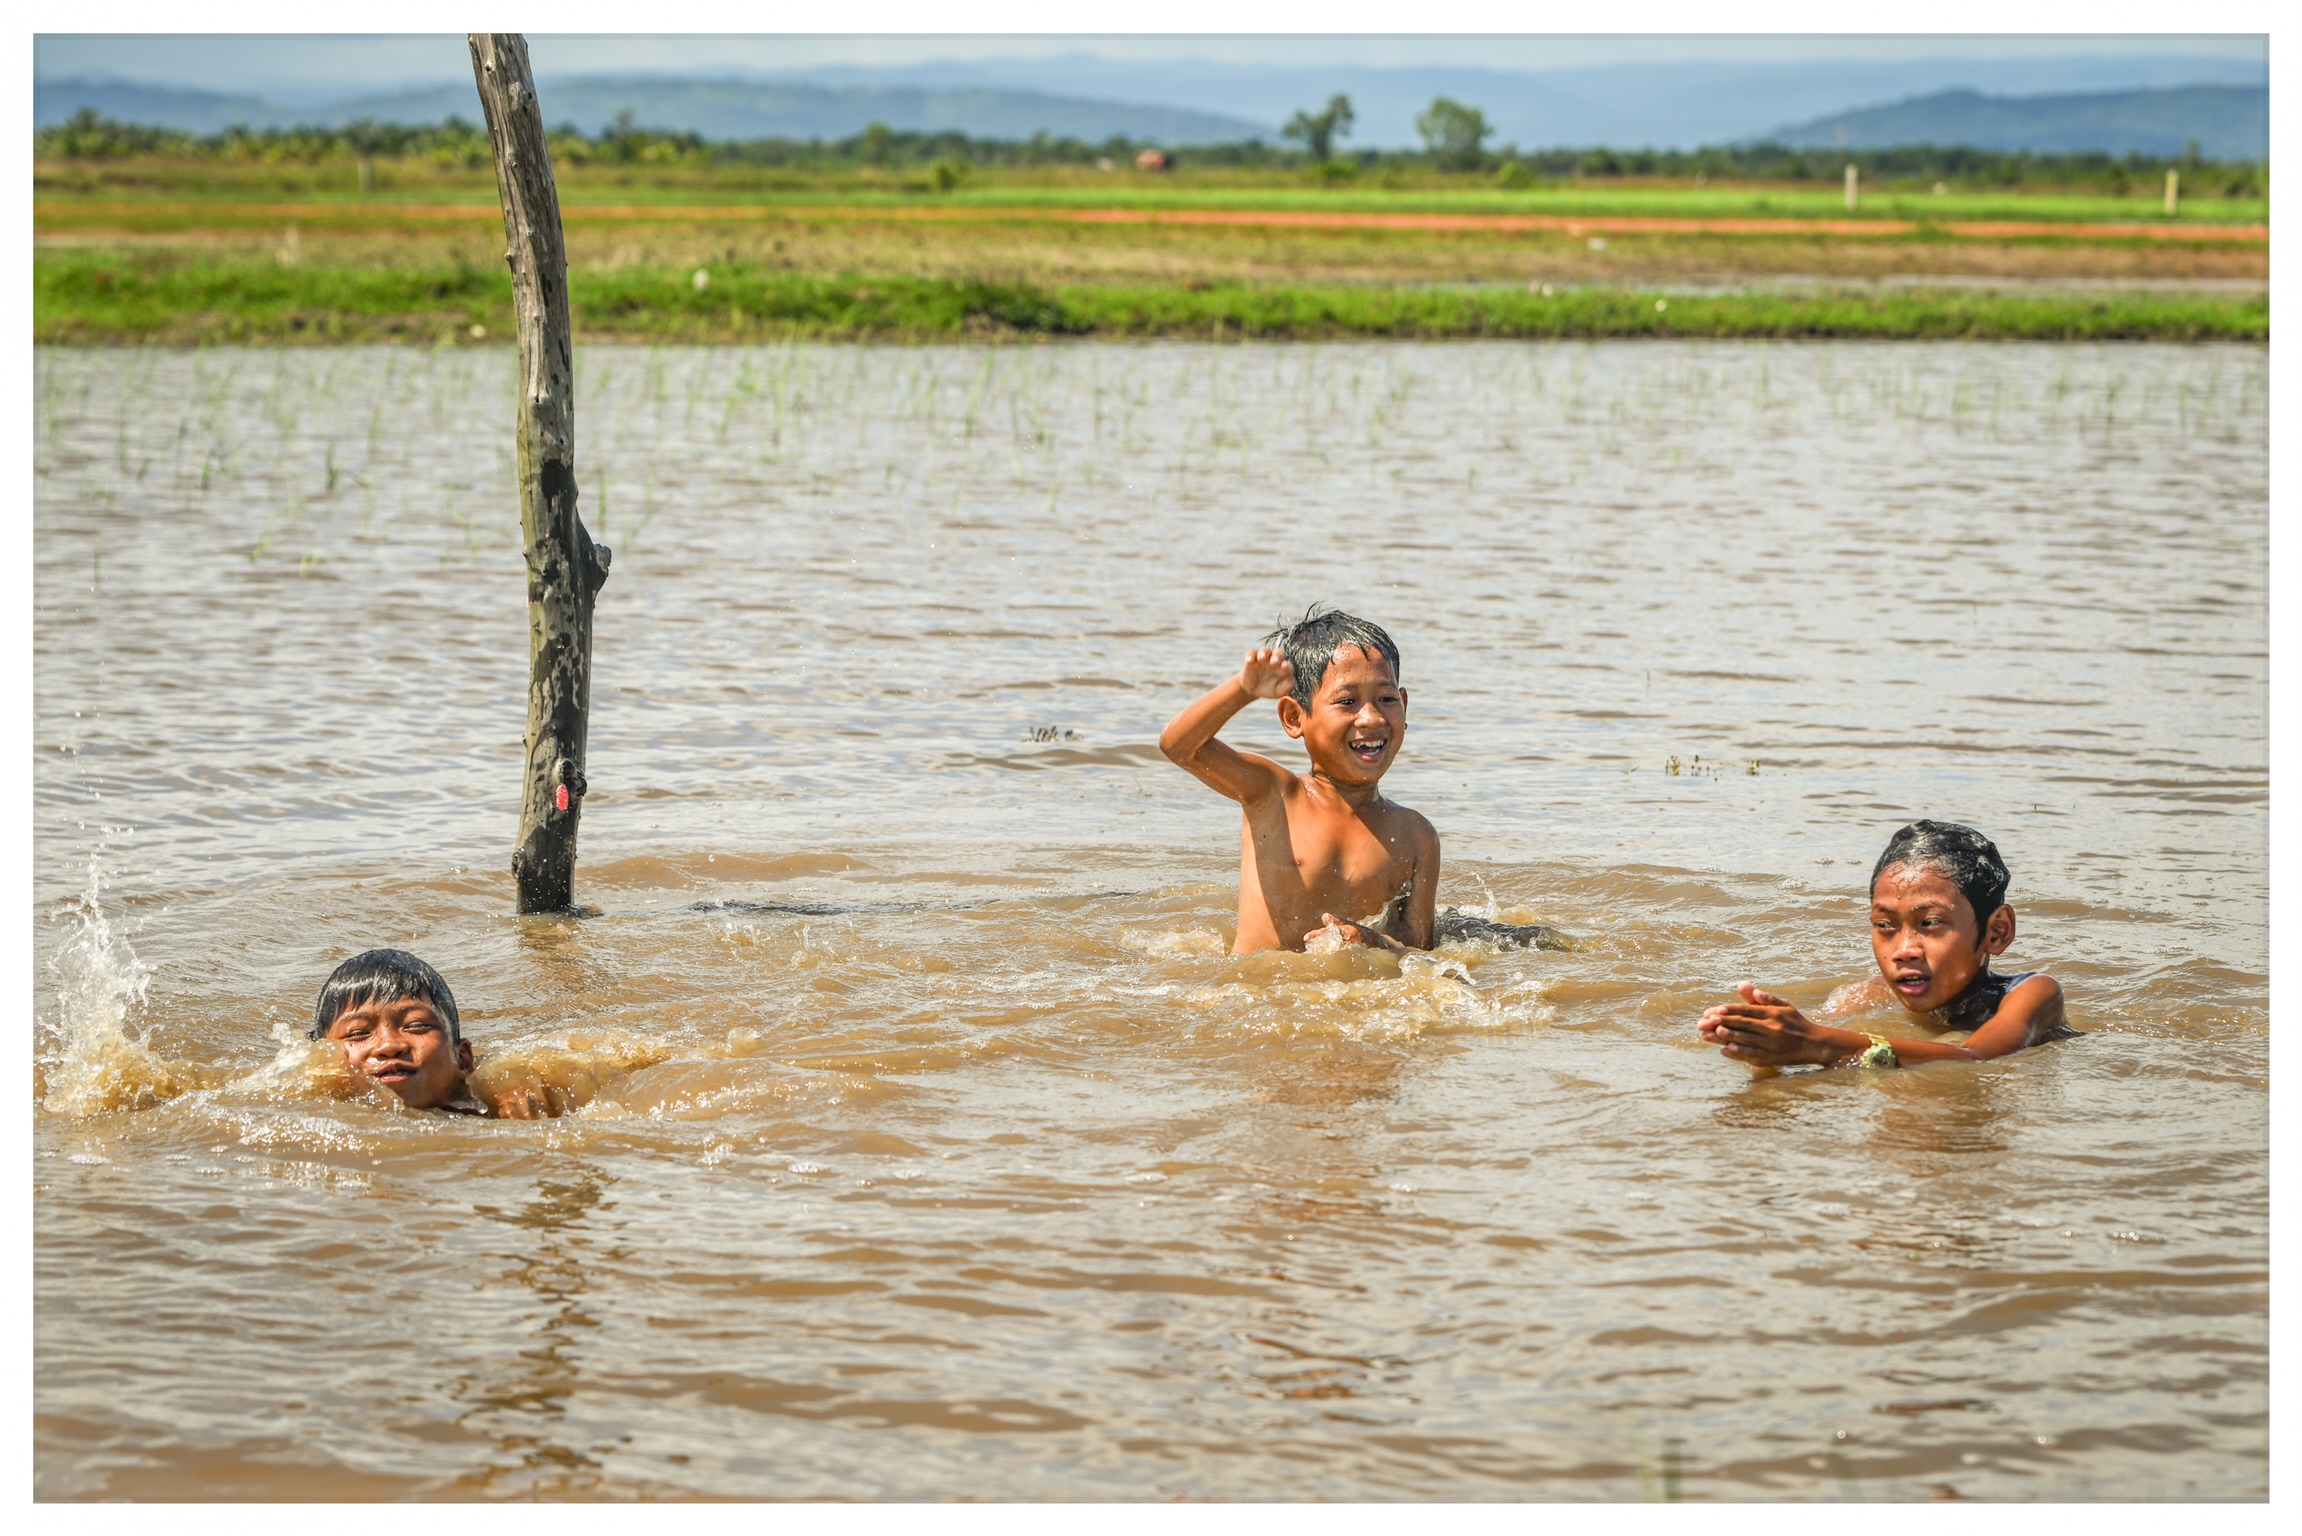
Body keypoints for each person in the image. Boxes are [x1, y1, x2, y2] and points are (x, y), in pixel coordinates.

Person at [1159, 608, 1438, 955]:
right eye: (1348, 701)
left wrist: (1373, 941)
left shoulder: (1415, 835)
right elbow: (1179, 746)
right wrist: (1243, 690)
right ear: (1294, 717)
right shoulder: (1273, 795)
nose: (1371, 717)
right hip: (1254, 995)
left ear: (1405, 706)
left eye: (1386, 699)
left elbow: (1422, 953)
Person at [1698, 819, 2071, 1069]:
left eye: (1930, 923)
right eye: (1885, 925)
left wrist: (1818, 1044)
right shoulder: (1868, 996)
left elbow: (1973, 1056)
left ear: (1997, 932)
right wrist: (1762, 1041)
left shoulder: (2032, 994)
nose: (1904, 949)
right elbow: (1810, 1033)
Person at [312, 948, 569, 1118]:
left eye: (416, 1026)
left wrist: (508, 1090)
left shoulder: (498, 1107)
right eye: (357, 1033)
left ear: (463, 1059)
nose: (389, 1045)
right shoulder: (311, 1105)